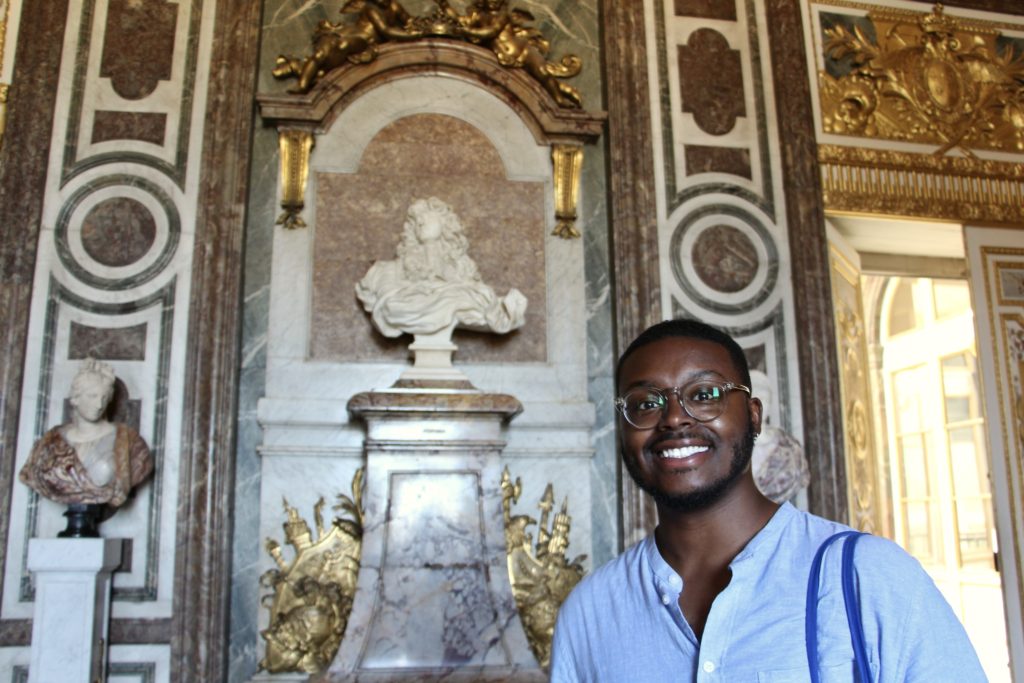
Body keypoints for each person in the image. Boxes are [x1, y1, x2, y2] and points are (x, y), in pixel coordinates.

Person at [550, 319, 986, 681]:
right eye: (646, 403)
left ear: (753, 415)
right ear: (624, 429)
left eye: (704, 395)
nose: (675, 417)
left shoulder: (867, 576)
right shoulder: (589, 611)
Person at [19, 358, 153, 508]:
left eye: (104, 398)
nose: (99, 405)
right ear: (75, 398)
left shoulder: (130, 442)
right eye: (92, 396)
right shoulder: (50, 442)